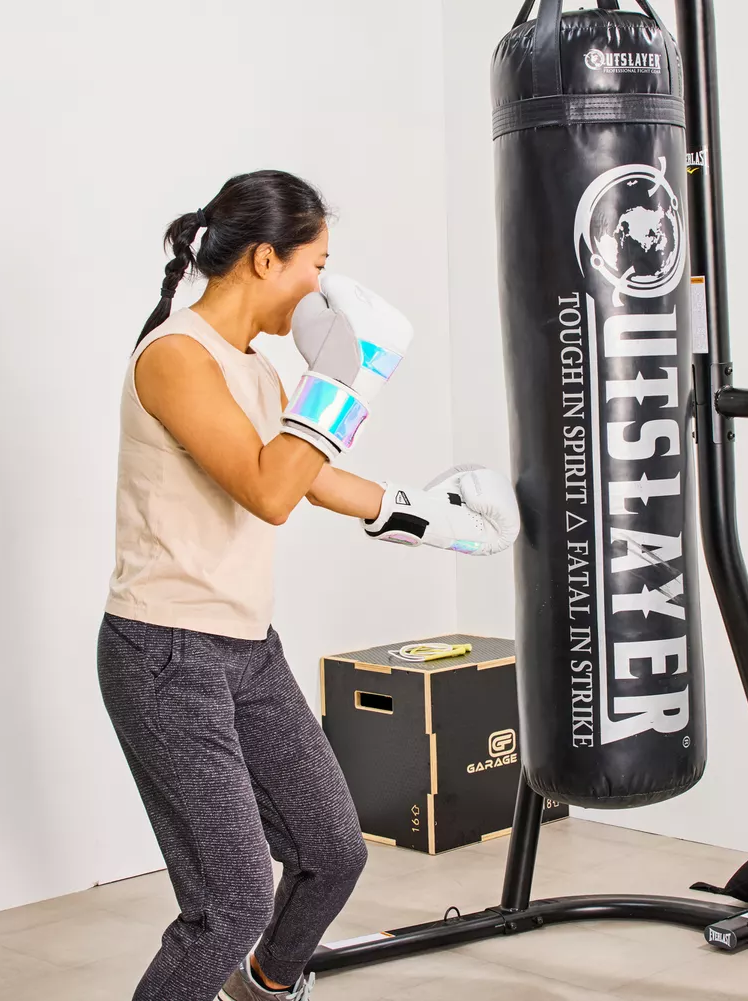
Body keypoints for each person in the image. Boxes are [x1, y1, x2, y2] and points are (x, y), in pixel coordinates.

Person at [97, 169, 520, 1001]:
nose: (322, 285)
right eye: (315, 263)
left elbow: (310, 471)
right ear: (264, 260)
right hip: (163, 653)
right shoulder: (176, 357)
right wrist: (349, 376)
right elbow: (268, 488)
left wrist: (430, 517)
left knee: (334, 848)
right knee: (233, 898)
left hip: (247, 649)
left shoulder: (254, 366)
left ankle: (261, 988)